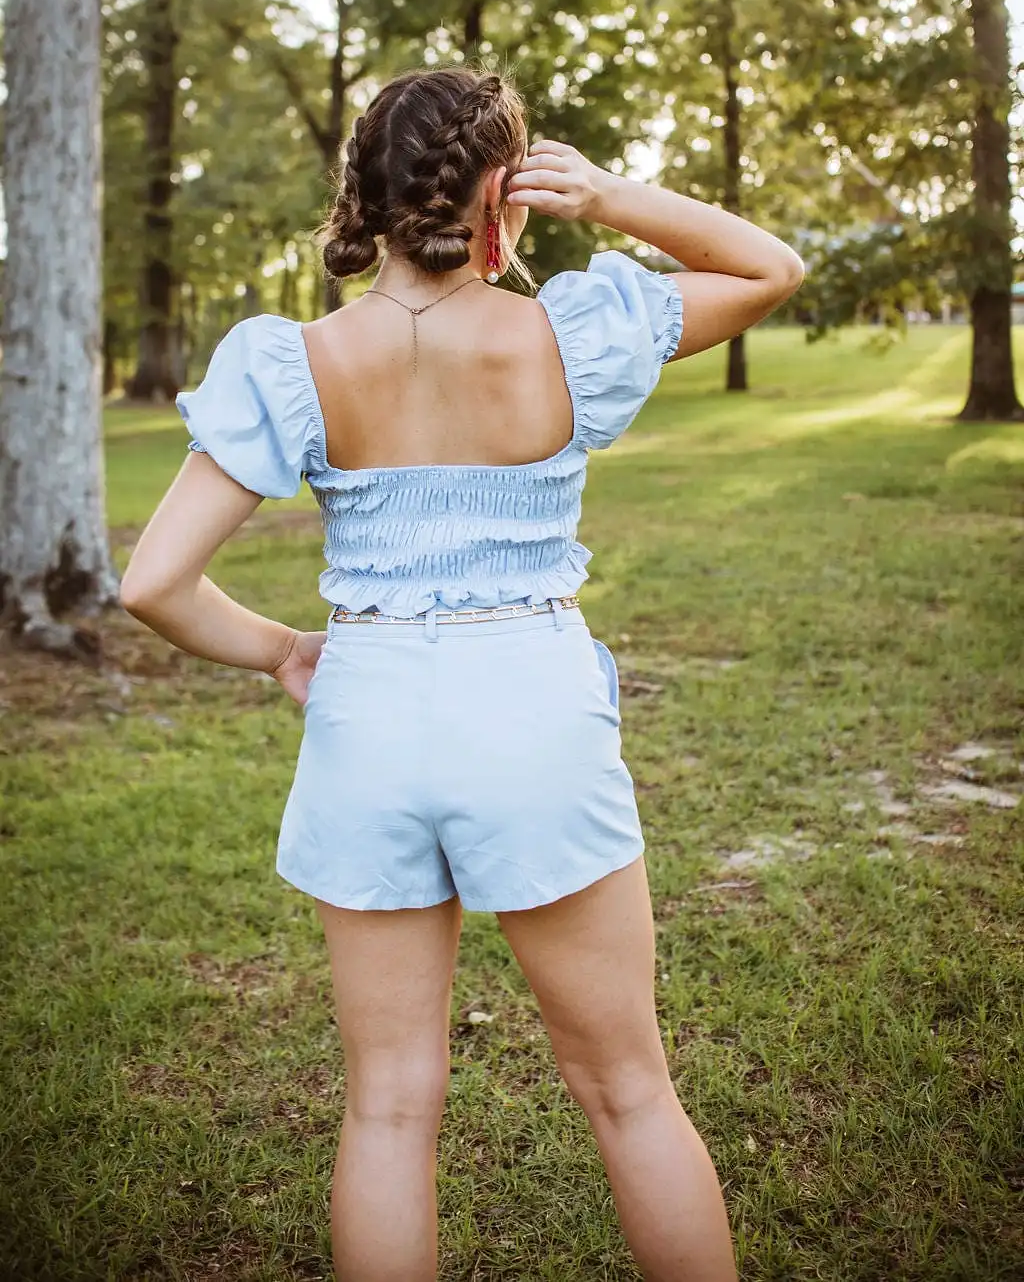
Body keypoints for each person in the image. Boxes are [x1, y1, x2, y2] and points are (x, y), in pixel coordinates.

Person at [121, 66, 804, 1282]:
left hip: (367, 712)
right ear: (504, 193)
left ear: (367, 195)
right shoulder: (568, 333)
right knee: (629, 1091)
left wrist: (284, 646)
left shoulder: (295, 361)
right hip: (530, 703)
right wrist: (607, 195)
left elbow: (153, 584)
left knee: (387, 1103)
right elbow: (770, 268)